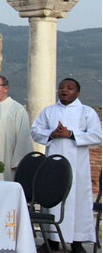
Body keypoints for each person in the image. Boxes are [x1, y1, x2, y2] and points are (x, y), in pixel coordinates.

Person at [31, 78, 102, 253]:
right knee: (53, 197)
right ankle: (52, 239)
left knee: (77, 200)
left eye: (69, 88)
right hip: (53, 163)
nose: (64, 90)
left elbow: (97, 136)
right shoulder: (49, 111)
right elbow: (35, 131)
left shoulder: (87, 112)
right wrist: (52, 133)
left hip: (77, 166)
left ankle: (78, 240)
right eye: (61, 87)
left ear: (78, 93)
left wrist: (71, 134)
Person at [0, 75, 33, 181]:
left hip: (7, 161)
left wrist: (18, 162)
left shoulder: (17, 109)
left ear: (5, 88)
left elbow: (23, 136)